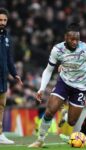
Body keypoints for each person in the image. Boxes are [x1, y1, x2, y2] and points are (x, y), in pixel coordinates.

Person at [28, 22, 86, 148]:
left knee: (71, 121)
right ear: (65, 37)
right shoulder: (57, 49)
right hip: (64, 83)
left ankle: (65, 113)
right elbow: (49, 70)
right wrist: (42, 88)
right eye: (72, 39)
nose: (75, 42)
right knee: (50, 111)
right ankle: (40, 140)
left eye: (77, 39)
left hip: (81, 88)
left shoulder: (85, 49)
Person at [0, 8, 23, 144]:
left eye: (4, 20)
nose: (2, 22)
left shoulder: (7, 37)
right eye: (0, 20)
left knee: (1, 106)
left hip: (2, 77)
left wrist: (15, 74)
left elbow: (9, 59)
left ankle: (0, 134)